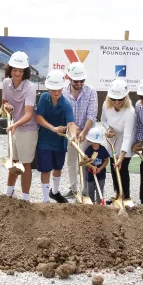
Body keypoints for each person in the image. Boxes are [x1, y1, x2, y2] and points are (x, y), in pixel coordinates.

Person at [34, 70, 78, 203]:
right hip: (45, 140)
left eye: (59, 89)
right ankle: (46, 199)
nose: (56, 93)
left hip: (60, 142)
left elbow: (71, 123)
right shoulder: (43, 98)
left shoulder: (66, 104)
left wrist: (74, 135)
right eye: (53, 90)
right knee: (45, 169)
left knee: (58, 167)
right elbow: (38, 117)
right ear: (48, 88)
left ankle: (55, 191)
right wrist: (52, 128)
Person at [1, 51, 38, 199]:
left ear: (25, 72)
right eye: (15, 70)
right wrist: (7, 108)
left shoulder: (30, 87)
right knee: (13, 161)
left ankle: (25, 198)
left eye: (20, 71)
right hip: (14, 126)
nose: (17, 73)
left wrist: (15, 124)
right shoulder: (5, 83)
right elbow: (4, 104)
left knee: (25, 163)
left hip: (28, 129)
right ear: (10, 69)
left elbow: (29, 114)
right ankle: (9, 193)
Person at [62, 62, 97, 198]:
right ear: (70, 79)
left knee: (84, 160)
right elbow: (63, 113)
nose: (79, 83)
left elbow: (92, 115)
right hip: (71, 132)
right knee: (70, 160)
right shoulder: (63, 92)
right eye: (76, 81)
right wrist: (73, 131)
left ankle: (85, 189)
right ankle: (73, 188)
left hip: (86, 133)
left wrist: (83, 133)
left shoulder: (91, 91)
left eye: (82, 80)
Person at [102, 79, 135, 203]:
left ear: (125, 97)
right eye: (113, 99)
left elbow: (127, 136)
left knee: (123, 168)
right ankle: (117, 193)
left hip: (125, 143)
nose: (116, 102)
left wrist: (122, 156)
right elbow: (103, 120)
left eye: (120, 99)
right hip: (112, 142)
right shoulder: (106, 105)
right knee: (113, 167)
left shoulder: (130, 112)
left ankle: (125, 197)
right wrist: (108, 129)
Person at [83, 126, 110, 204]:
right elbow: (86, 162)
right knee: (90, 191)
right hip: (90, 175)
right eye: (92, 141)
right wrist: (92, 167)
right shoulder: (88, 150)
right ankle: (91, 204)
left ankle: (99, 204)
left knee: (100, 190)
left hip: (101, 175)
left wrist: (100, 168)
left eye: (95, 141)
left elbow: (106, 160)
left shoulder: (103, 149)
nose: (94, 143)